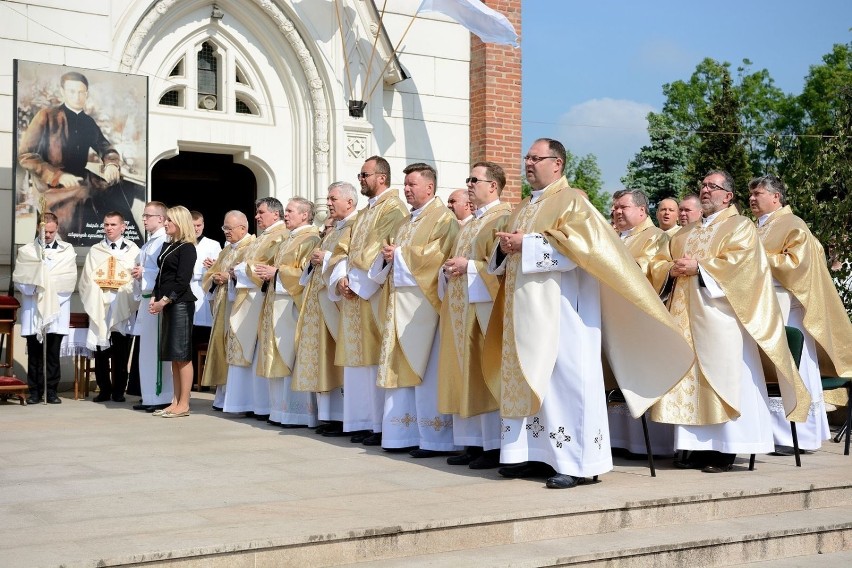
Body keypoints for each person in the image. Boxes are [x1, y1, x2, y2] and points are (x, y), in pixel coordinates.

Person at [484, 138, 693, 489]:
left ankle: (579, 463)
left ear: (558, 164)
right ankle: (536, 455)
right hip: (525, 311)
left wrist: (528, 244)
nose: (529, 163)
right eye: (527, 157)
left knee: (567, 385)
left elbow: (585, 250)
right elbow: (503, 255)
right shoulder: (522, 207)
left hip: (566, 312)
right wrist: (504, 249)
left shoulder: (574, 203)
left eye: (536, 158)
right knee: (534, 383)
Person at [649, 170, 810, 473]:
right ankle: (696, 448)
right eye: (703, 186)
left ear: (728, 195)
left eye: (713, 187)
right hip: (684, 319)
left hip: (721, 320)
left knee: (723, 381)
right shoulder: (685, 232)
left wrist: (700, 266)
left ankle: (726, 450)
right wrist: (670, 269)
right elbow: (658, 261)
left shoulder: (741, 227)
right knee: (692, 383)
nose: (706, 191)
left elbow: (745, 266)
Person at [749, 174, 852, 451]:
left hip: (789, 309)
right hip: (764, 307)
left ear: (776, 197)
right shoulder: (756, 227)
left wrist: (754, 259)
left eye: (757, 193)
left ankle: (802, 435)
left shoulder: (794, 225)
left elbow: (796, 264)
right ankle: (771, 433)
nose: (752, 198)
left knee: (795, 369)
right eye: (751, 194)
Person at [370, 163, 459, 456]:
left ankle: (434, 438)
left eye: (412, 184)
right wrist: (387, 257)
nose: (406, 189)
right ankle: (402, 434)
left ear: (430, 187)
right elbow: (392, 256)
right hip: (400, 302)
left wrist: (400, 255)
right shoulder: (406, 222)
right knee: (400, 368)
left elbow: (436, 258)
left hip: (426, 306)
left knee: (428, 370)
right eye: (405, 184)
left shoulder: (443, 219)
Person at [328, 156, 408, 445]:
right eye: (360, 175)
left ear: (382, 178)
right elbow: (342, 248)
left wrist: (357, 282)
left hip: (374, 292)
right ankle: (361, 421)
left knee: (373, 359)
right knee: (357, 362)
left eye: (365, 174)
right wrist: (340, 278)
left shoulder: (394, 209)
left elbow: (380, 250)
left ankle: (377, 424)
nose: (360, 179)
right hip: (353, 291)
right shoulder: (363, 213)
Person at [437, 162, 512, 468]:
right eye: (468, 180)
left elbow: (503, 267)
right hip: (460, 306)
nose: (469, 184)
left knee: (484, 372)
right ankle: (471, 442)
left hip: (484, 309)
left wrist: (467, 266)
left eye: (474, 180)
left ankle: (492, 445)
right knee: (464, 372)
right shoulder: (470, 223)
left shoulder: (504, 217)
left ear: (492, 186)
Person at [17, 71, 142, 241]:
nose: (77, 96)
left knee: (119, 189)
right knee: (84, 196)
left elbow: (106, 148)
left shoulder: (87, 122)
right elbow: (26, 155)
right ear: (63, 92)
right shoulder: (46, 116)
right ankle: (81, 246)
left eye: (81, 92)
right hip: (52, 187)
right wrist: (58, 176)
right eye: (72, 91)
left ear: (86, 94)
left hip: (82, 179)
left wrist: (112, 163)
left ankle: (129, 245)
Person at [292, 183, 359, 436]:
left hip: (340, 303)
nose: (328, 203)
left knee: (338, 359)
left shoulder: (356, 226)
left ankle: (343, 418)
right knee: (324, 360)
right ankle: (329, 416)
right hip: (320, 303)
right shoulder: (335, 229)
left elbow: (353, 258)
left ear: (349, 202)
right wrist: (317, 260)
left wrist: (327, 259)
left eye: (333, 198)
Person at [253, 197, 320, 426]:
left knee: (291, 355)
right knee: (277, 355)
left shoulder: (311, 238)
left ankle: (298, 413)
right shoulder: (288, 239)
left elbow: (305, 273)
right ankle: (280, 411)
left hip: (292, 305)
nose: (286, 215)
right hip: (277, 302)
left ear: (304, 215)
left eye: (290, 211)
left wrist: (278, 273)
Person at [222, 198, 288, 418]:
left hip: (258, 298)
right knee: (247, 349)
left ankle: (259, 405)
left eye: (261, 212)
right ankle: (247, 402)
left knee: (257, 350)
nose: (257, 217)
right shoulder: (265, 236)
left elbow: (265, 268)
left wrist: (239, 270)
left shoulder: (280, 235)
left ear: (275, 214)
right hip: (247, 298)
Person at [13, 212, 77, 404]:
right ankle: (34, 391)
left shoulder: (67, 250)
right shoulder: (27, 251)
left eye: (51, 231)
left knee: (52, 354)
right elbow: (20, 279)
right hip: (34, 307)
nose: (48, 235)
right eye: (44, 231)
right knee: (34, 355)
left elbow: (69, 279)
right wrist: (36, 287)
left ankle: (51, 390)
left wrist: (48, 289)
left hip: (56, 308)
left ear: (57, 229)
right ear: (38, 229)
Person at [78, 211, 140, 402]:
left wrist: (123, 286)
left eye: (113, 225)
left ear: (123, 227)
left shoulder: (133, 250)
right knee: (101, 350)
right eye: (106, 225)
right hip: (101, 303)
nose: (109, 228)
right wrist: (98, 289)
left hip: (122, 303)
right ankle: (104, 389)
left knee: (121, 351)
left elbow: (137, 277)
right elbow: (87, 279)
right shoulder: (96, 250)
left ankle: (119, 390)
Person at [200, 211, 254, 409]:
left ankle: (238, 399)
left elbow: (252, 275)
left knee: (236, 351)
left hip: (240, 309)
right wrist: (215, 276)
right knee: (223, 350)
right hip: (223, 306)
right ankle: (223, 397)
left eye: (229, 228)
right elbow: (212, 275)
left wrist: (229, 277)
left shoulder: (251, 247)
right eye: (224, 228)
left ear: (243, 228)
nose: (226, 232)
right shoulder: (226, 250)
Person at [148, 206, 197, 417]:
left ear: (180, 223)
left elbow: (181, 281)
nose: (165, 223)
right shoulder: (169, 246)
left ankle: (184, 404)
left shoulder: (187, 248)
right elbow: (161, 276)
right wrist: (154, 296)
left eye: (169, 220)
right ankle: (175, 401)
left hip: (180, 304)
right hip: (168, 304)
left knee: (182, 355)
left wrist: (165, 301)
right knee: (173, 356)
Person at [129, 201, 173, 411]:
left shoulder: (164, 241)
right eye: (144, 215)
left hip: (155, 299)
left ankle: (160, 396)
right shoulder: (148, 244)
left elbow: (165, 272)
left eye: (148, 215)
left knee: (155, 350)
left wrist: (143, 273)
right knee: (146, 350)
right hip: (146, 298)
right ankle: (149, 396)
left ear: (161, 219)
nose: (144, 219)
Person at [190, 211, 222, 388]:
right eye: (193, 225)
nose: (196, 229)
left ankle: (207, 379)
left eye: (199, 225)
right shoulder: (182, 243)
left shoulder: (213, 244)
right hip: (188, 290)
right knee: (190, 338)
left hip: (205, 292)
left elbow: (221, 267)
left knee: (205, 335)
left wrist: (214, 266)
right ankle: (193, 379)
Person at [611, 189, 669, 282]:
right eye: (616, 208)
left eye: (623, 207)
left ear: (642, 210)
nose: (617, 212)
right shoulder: (611, 236)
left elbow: (655, 270)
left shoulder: (657, 236)